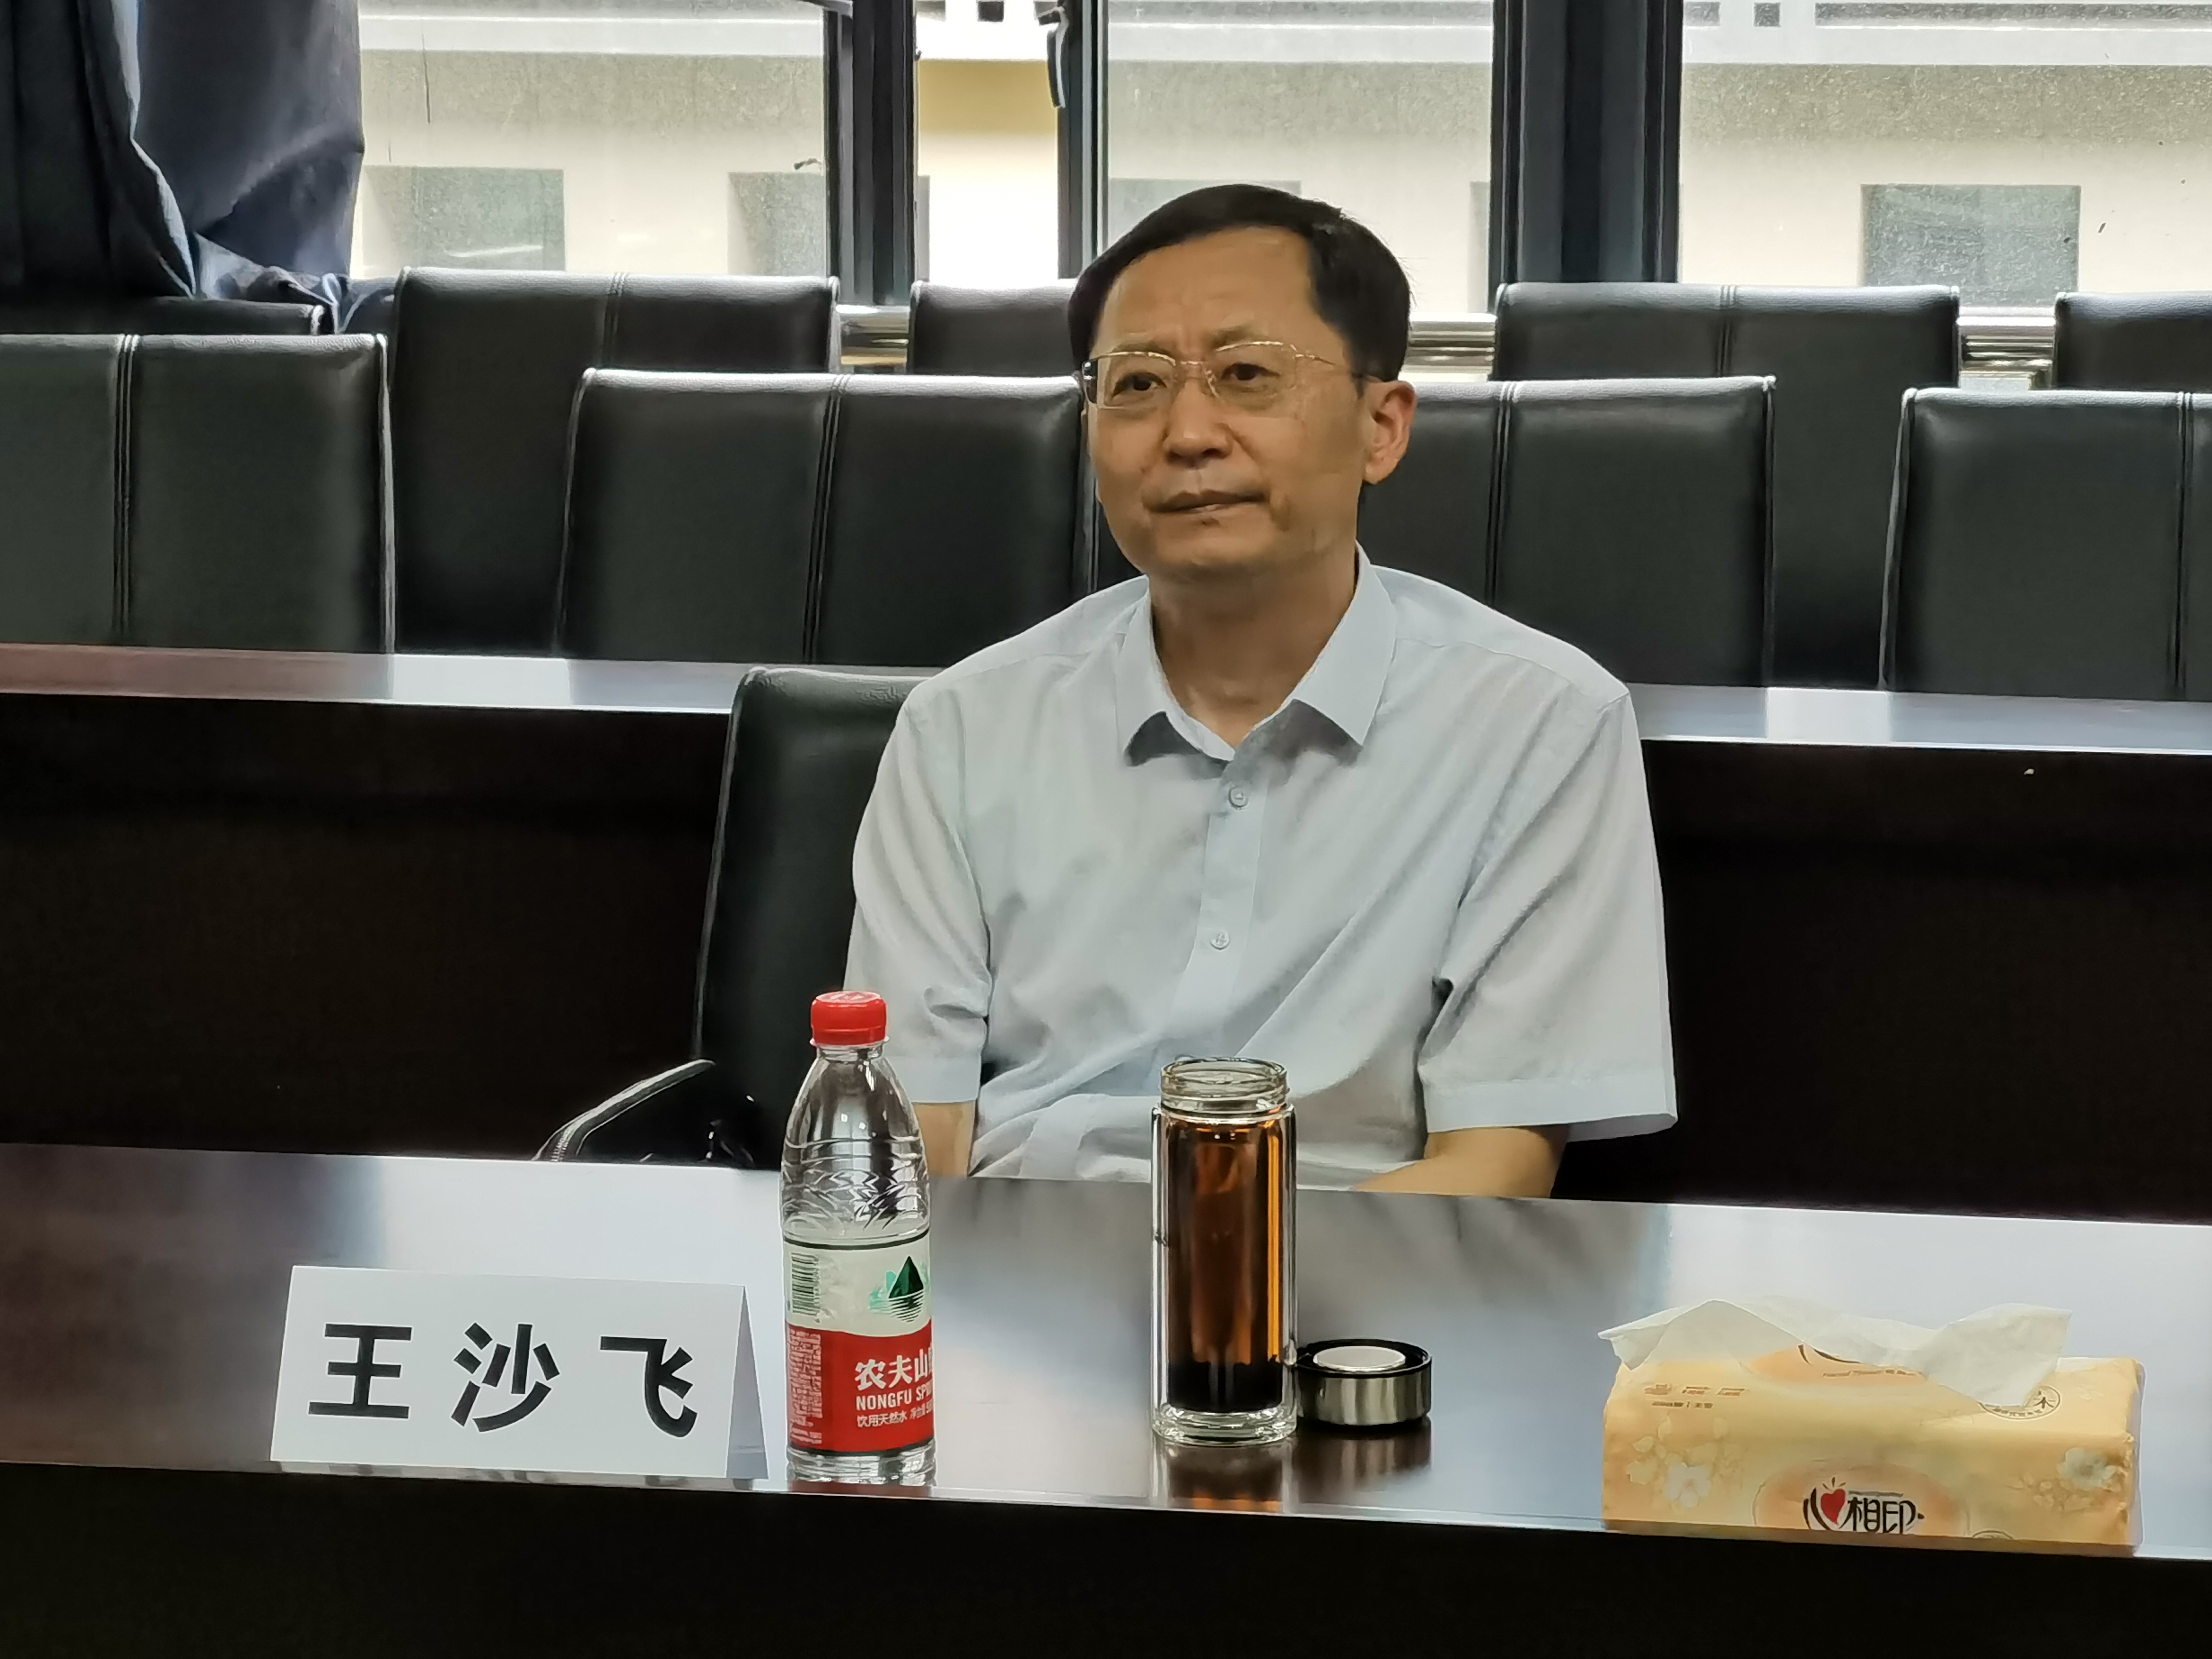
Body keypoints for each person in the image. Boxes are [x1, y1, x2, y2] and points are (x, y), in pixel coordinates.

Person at [846, 184, 1674, 1196]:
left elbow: (1493, 1172)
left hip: (1364, 1280)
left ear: (1382, 426)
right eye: (1137, 384)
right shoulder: (964, 726)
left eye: (1246, 375)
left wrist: (1204, 1279)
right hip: (1020, 1264)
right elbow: (914, 1145)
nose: (1188, 432)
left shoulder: (1541, 725)